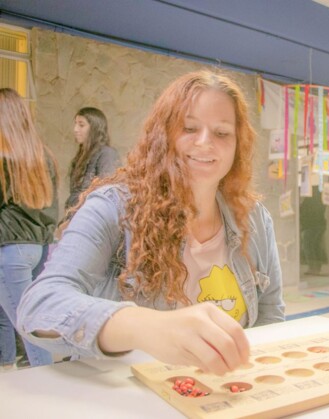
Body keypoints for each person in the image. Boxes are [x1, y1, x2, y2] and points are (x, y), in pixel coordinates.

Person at [17, 71, 285, 375]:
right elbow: (38, 306)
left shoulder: (254, 218)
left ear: (238, 144)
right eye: (188, 127)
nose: (204, 142)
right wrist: (143, 327)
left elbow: (270, 314)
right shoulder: (113, 207)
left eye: (222, 133)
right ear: (163, 135)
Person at [0, 87, 56, 368]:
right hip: (38, 248)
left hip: (9, 248)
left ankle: (48, 386)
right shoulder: (42, 155)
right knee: (9, 316)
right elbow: (51, 205)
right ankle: (6, 370)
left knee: (28, 325)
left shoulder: (3, 157)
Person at [64, 107, 121, 211]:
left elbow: (107, 195)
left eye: (81, 125)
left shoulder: (107, 154)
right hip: (75, 217)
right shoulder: (80, 157)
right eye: (75, 124)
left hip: (92, 218)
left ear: (94, 128)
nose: (75, 129)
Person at [300, 187, 327, 274]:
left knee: (308, 246)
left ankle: (312, 268)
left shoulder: (311, 199)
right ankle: (317, 267)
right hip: (319, 224)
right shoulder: (321, 198)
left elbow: (305, 210)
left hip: (311, 225)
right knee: (316, 246)